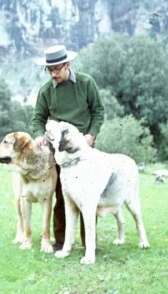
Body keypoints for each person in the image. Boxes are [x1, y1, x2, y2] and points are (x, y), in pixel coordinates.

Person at [31, 44, 105, 251]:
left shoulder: (86, 83)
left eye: (57, 69)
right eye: (49, 70)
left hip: (84, 147)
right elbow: (38, 119)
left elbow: (98, 111)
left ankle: (89, 242)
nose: (53, 74)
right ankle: (62, 240)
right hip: (58, 150)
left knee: (88, 195)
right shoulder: (46, 91)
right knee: (63, 193)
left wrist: (92, 134)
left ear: (67, 65)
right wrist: (39, 136)